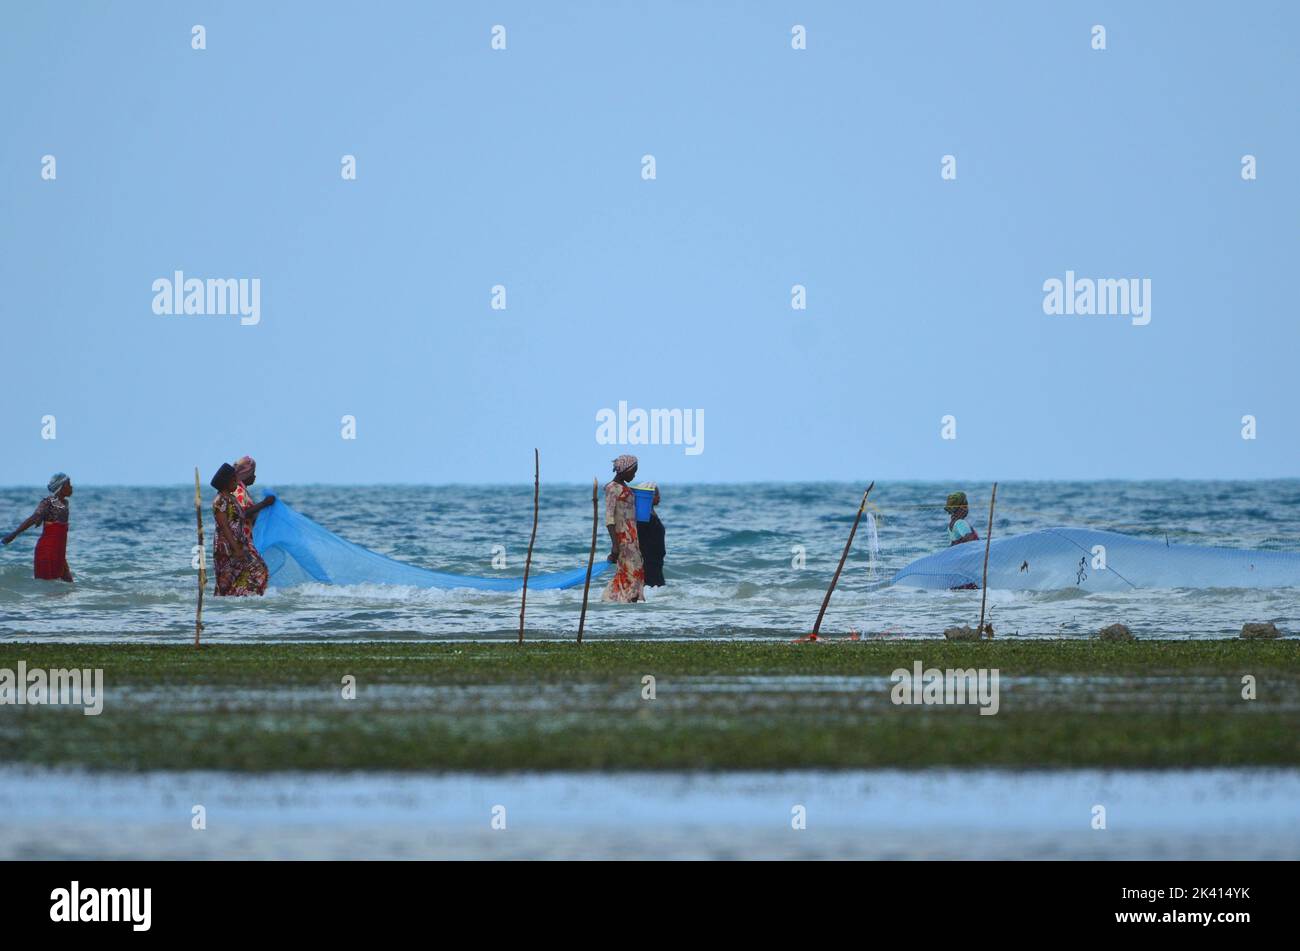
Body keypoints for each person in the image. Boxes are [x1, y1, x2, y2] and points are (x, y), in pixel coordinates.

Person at [2, 473, 75, 582]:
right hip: (47, 552)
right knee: (48, 590)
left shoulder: (65, 503)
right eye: (68, 484)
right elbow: (33, 518)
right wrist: (13, 535)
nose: (71, 487)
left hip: (59, 552)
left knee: (68, 587)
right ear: (61, 487)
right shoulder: (48, 502)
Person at [211, 463, 269, 597]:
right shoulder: (220, 501)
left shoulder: (232, 498)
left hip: (239, 543)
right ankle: (228, 603)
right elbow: (224, 526)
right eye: (233, 480)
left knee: (257, 570)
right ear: (226, 482)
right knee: (228, 578)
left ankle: (241, 599)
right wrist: (236, 549)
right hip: (227, 546)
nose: (236, 482)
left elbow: (242, 516)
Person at [602, 454, 645, 603]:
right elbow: (609, 518)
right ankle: (613, 599)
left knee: (633, 571)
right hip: (623, 538)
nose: (635, 474)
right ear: (624, 470)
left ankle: (622, 604)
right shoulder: (612, 488)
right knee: (632, 572)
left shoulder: (624, 487)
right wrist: (615, 545)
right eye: (633, 471)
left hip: (633, 537)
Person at [231, 455, 275, 540]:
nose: (254, 476)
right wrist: (265, 503)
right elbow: (243, 513)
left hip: (244, 536)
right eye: (252, 473)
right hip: (241, 538)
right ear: (245, 474)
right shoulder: (238, 490)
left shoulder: (241, 489)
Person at [636, 482, 666, 588]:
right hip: (648, 561)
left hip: (656, 561)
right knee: (653, 586)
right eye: (656, 494)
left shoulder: (651, 514)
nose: (659, 497)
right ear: (649, 496)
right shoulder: (644, 518)